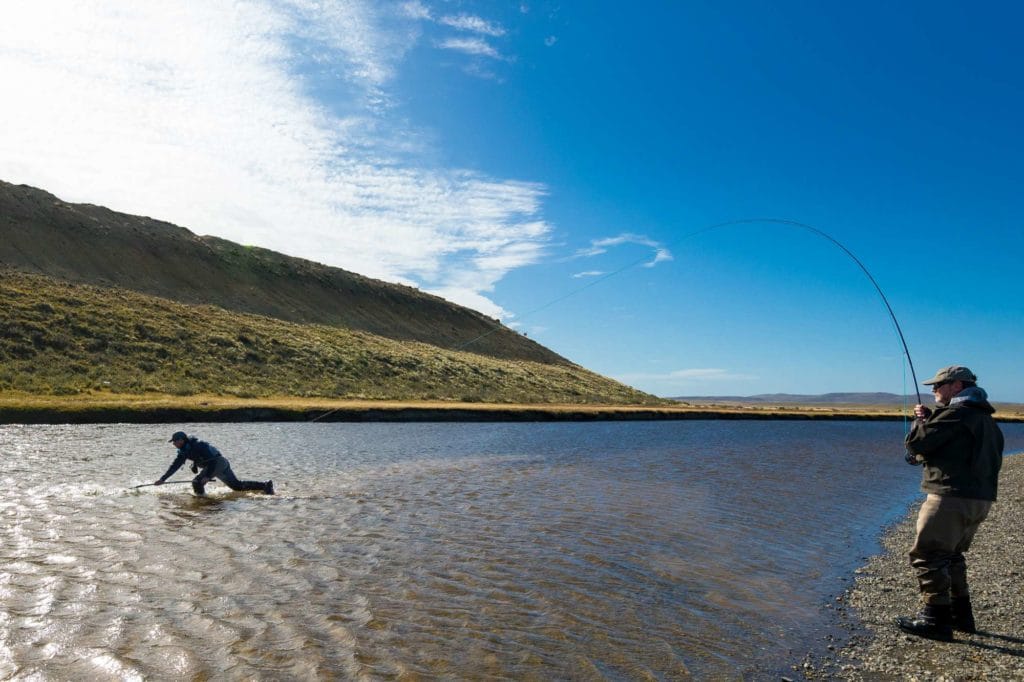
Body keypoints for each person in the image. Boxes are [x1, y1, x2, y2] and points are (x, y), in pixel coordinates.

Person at [896, 365, 1003, 640]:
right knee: (952, 555)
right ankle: (961, 617)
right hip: (979, 500)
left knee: (928, 555)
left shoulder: (954, 415)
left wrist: (921, 422)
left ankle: (936, 619)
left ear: (957, 386)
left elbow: (918, 444)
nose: (933, 390)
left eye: (938, 385)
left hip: (950, 497)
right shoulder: (986, 420)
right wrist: (933, 418)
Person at [156, 431, 275, 496]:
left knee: (196, 482)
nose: (173, 444)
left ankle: (202, 501)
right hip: (216, 465)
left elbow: (212, 460)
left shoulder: (198, 446)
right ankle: (265, 485)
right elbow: (175, 466)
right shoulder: (183, 452)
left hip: (218, 463)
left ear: (181, 440)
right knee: (237, 487)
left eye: (175, 442)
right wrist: (163, 479)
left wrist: (207, 477)